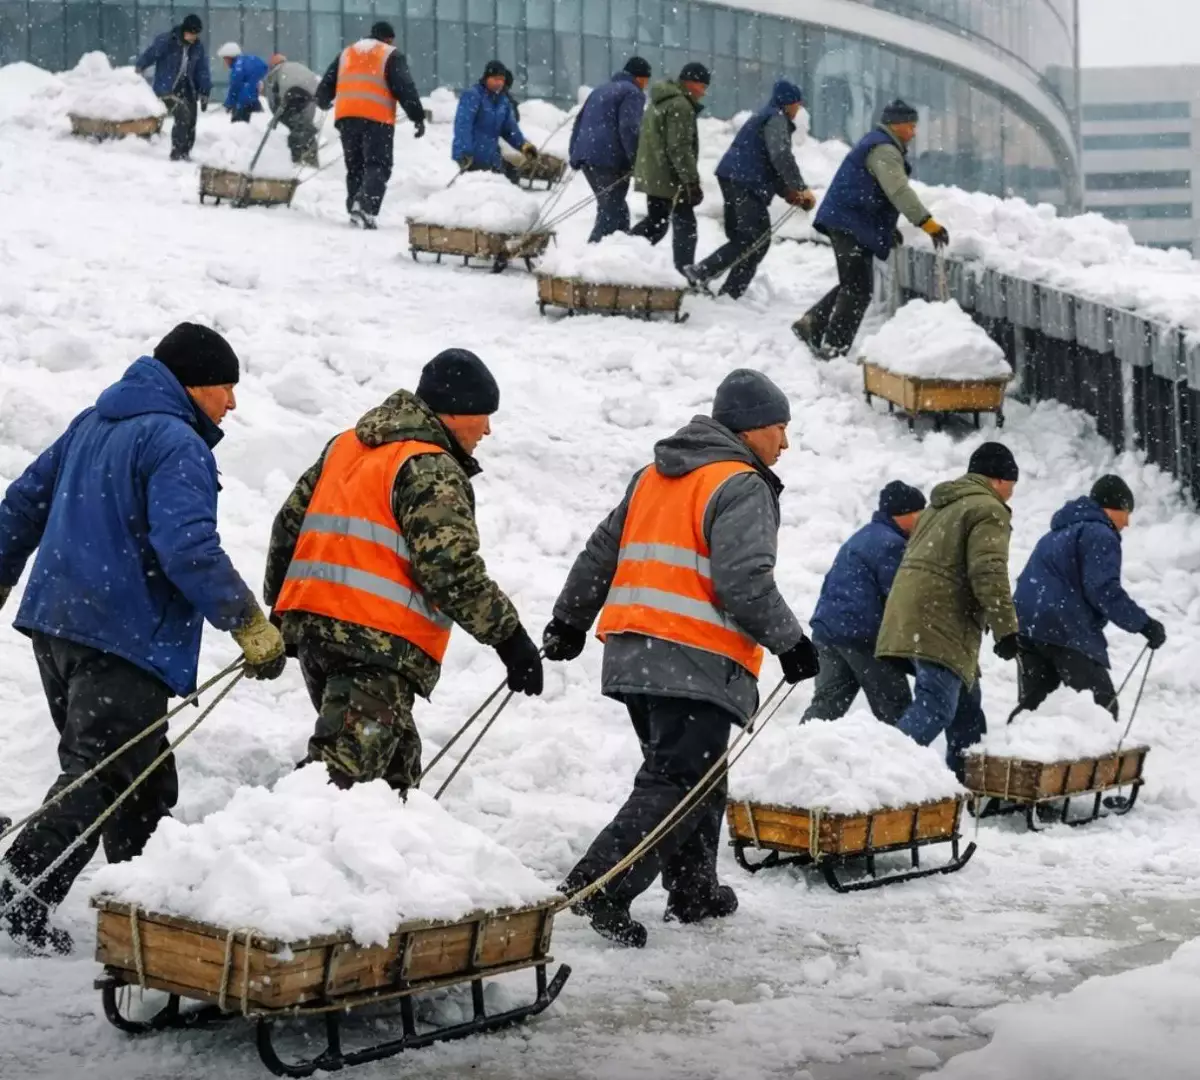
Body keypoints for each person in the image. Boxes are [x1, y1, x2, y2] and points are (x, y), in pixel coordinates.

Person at [0, 324, 285, 955]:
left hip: (58, 623)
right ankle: (15, 898)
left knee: (142, 777)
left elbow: (22, 504)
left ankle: (147, 913)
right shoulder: (176, 441)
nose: (232, 404)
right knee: (101, 776)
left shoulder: (94, 422)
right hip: (119, 633)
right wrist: (247, 622)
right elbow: (187, 546)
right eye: (225, 388)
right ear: (194, 383)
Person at [545, 369, 820, 948]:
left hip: (634, 653)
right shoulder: (741, 483)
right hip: (691, 654)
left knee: (697, 774)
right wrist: (790, 642)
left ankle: (695, 889)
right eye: (780, 429)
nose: (786, 444)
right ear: (750, 429)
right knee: (677, 778)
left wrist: (570, 620)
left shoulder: (652, 477)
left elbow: (601, 552)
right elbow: (744, 581)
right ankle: (603, 884)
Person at [264, 350, 543, 794]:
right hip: (372, 646)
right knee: (337, 784)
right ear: (455, 412)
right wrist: (511, 641)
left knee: (394, 774)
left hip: (318, 633)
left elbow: (288, 526)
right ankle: (263, 847)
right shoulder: (429, 467)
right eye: (483, 416)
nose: (487, 430)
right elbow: (451, 569)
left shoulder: (345, 447)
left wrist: (281, 608)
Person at [877, 443, 1020, 779]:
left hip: (911, 615)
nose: (1013, 491)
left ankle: (964, 785)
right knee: (936, 706)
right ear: (1000, 479)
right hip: (941, 620)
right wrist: (1006, 628)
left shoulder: (938, 507)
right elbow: (988, 570)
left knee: (968, 708)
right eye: (1013, 482)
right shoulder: (989, 509)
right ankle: (878, 777)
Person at [794, 100, 950, 359]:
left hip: (848, 220)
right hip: (848, 222)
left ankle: (812, 323)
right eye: (911, 126)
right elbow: (898, 190)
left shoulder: (878, 143)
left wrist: (885, 229)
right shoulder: (885, 149)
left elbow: (874, 193)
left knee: (852, 283)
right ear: (897, 125)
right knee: (857, 289)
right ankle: (834, 348)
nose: (913, 132)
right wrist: (927, 223)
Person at [1011, 475, 1166, 722]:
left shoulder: (1056, 534)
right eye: (1127, 512)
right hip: (1064, 625)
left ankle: (1012, 755)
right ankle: (1098, 760)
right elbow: (1103, 590)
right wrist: (1145, 625)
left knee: (1037, 710)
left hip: (1027, 624)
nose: (1127, 523)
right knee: (1099, 711)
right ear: (1114, 507)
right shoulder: (1100, 533)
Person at [803, 481, 926, 725]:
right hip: (863, 639)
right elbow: (900, 598)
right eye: (921, 513)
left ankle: (798, 750)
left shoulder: (863, 536)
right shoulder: (892, 544)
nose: (924, 520)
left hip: (828, 633)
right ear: (904, 514)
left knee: (827, 705)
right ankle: (902, 760)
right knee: (896, 709)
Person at [683, 80, 816, 299]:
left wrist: (788, 193)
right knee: (755, 239)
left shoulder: (768, 116)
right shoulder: (776, 119)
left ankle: (724, 288)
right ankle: (707, 275)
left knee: (744, 238)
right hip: (746, 182)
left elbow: (770, 163)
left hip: (733, 177)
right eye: (797, 105)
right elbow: (780, 156)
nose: (798, 110)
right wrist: (800, 188)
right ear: (788, 103)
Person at [315, 21, 426, 230]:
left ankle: (355, 208)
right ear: (388, 38)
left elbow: (328, 82)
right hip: (376, 118)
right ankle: (365, 208)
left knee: (355, 166)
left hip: (346, 116)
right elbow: (405, 86)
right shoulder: (390, 54)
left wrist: (322, 99)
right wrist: (417, 116)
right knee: (377, 164)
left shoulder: (346, 53)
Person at [629, 63, 710, 273]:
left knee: (658, 222)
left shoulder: (661, 100)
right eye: (703, 86)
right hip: (669, 175)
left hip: (655, 171)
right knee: (673, 225)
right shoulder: (680, 106)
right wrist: (691, 181)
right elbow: (679, 147)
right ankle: (623, 255)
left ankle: (625, 254)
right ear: (691, 83)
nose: (704, 92)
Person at [568, 57, 652, 243]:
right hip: (610, 159)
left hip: (587, 156)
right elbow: (630, 128)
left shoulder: (600, 90)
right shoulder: (633, 93)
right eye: (646, 80)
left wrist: (574, 153)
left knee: (614, 209)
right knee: (612, 211)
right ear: (641, 78)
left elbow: (579, 121)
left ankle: (618, 249)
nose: (646, 85)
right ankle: (590, 255)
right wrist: (636, 159)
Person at [135, 13, 212, 161]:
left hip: (186, 87)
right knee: (183, 115)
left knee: (192, 118)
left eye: (196, 34)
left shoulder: (197, 48)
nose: (193, 37)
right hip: (167, 88)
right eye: (191, 33)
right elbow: (152, 53)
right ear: (184, 31)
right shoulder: (168, 41)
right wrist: (140, 66)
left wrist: (204, 92)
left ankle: (185, 151)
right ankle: (177, 152)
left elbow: (202, 70)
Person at [452, 60, 536, 185]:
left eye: (502, 80)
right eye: (495, 79)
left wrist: (523, 146)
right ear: (486, 78)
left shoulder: (503, 102)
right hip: (472, 158)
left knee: (511, 180)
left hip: (492, 158)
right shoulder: (473, 96)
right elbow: (463, 125)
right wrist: (464, 152)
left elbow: (509, 129)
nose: (499, 83)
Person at [264, 54, 322, 167]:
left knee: (297, 129)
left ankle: (298, 159)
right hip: (311, 96)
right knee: (303, 125)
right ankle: (310, 156)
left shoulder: (275, 72)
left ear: (273, 65)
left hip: (291, 95)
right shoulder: (297, 66)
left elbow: (272, 99)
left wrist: (277, 117)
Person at [217, 43, 267, 123]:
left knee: (239, 128)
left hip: (242, 104)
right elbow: (264, 68)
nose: (225, 62)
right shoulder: (249, 61)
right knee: (255, 127)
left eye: (225, 59)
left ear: (230, 57)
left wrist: (229, 103)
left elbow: (235, 86)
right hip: (253, 101)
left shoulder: (238, 67)